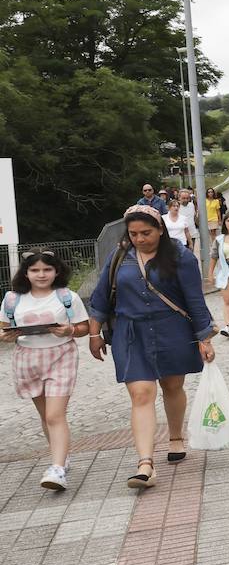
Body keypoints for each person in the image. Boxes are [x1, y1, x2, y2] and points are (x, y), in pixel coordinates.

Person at [88, 205, 216, 489]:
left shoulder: (180, 257)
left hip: (172, 330)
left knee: (172, 386)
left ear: (160, 229)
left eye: (146, 232)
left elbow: (194, 299)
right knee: (141, 393)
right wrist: (94, 335)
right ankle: (145, 464)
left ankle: (175, 437)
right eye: (133, 233)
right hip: (130, 333)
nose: (140, 239)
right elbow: (99, 297)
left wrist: (204, 338)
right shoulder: (120, 256)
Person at [2, 251, 90, 492]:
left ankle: (57, 468)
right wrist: (8, 336)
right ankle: (61, 457)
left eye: (47, 270)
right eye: (35, 270)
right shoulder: (12, 299)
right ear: (26, 273)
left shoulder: (67, 297)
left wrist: (69, 330)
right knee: (46, 416)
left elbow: (84, 327)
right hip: (27, 359)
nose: (41, 274)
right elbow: (3, 329)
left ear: (57, 271)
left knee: (54, 415)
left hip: (61, 355)